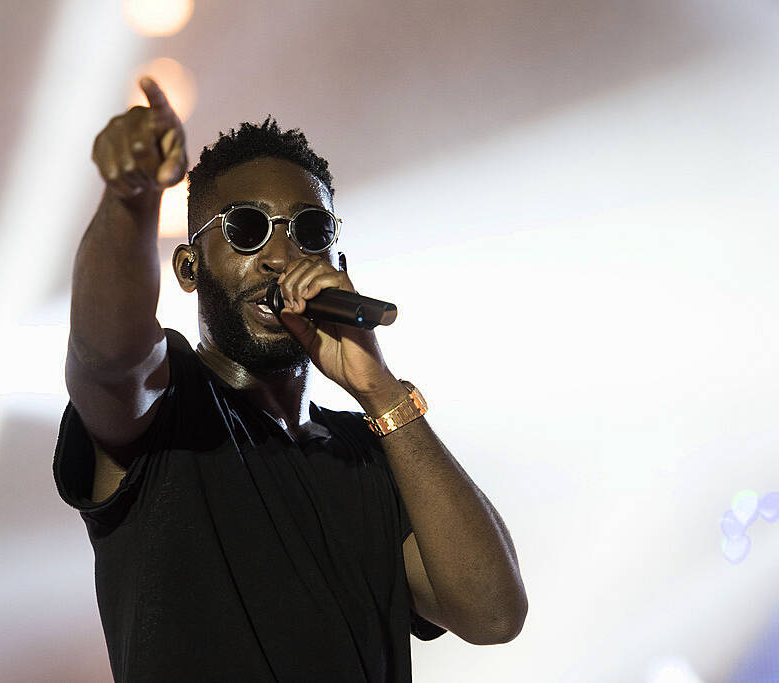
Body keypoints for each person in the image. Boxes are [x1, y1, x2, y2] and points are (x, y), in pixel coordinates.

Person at [52, 76, 528, 682]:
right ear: (189, 267)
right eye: (247, 229)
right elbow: (106, 354)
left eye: (310, 231)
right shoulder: (166, 413)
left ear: (338, 265)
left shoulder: (373, 452)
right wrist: (132, 197)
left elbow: (492, 614)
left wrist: (381, 391)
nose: (281, 257)